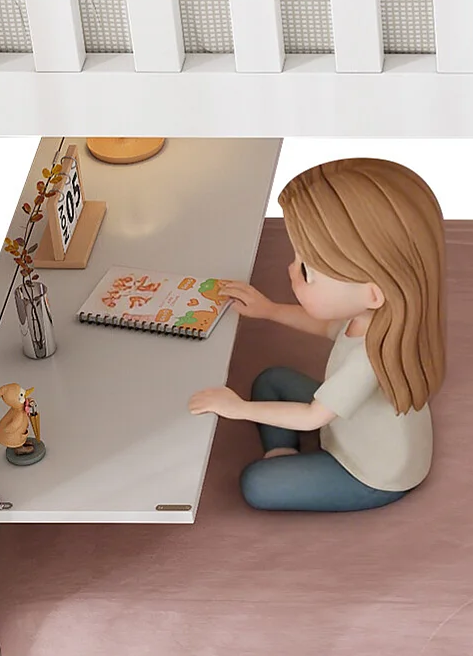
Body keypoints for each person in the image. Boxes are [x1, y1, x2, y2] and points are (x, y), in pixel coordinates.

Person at [187, 158, 445, 512]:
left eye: (307, 271)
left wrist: (238, 409)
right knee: (272, 379)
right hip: (346, 422)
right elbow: (324, 327)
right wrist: (270, 310)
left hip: (371, 471)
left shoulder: (371, 357)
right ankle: (284, 453)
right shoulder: (374, 319)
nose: (291, 271)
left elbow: (313, 416)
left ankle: (289, 465)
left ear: (373, 293)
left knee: (257, 483)